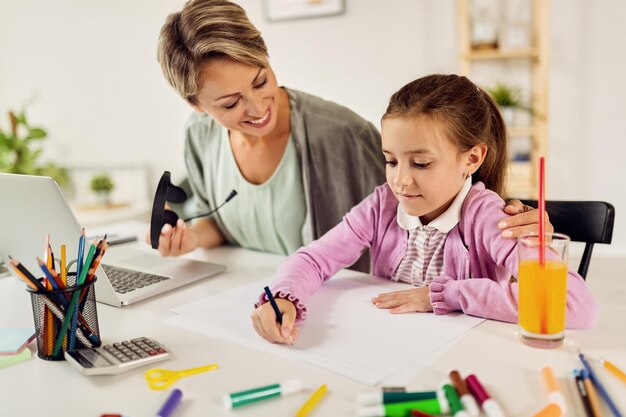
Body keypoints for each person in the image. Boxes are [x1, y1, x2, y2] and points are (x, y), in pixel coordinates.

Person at [151, 0, 546, 271]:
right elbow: (222, 222)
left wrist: (504, 223)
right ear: (197, 105)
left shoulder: (343, 135)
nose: (257, 108)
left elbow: (432, 212)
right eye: (231, 103)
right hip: (256, 296)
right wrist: (191, 238)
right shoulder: (200, 137)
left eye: (260, 81)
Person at [251, 74, 598, 345]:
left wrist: (446, 295)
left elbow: (574, 305)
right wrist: (283, 296)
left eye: (420, 163)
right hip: (395, 346)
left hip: (464, 356)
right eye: (390, 160)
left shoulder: (490, 218)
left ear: (472, 158)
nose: (400, 180)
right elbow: (313, 259)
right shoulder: (382, 205)